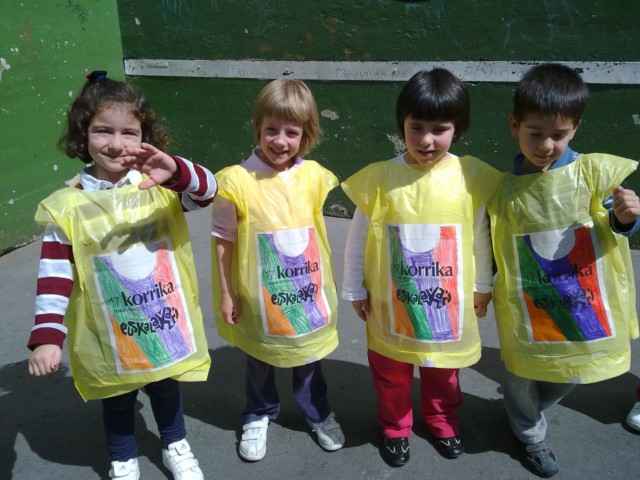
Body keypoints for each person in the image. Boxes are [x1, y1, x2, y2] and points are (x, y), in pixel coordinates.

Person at [27, 71, 216, 480]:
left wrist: (176, 169)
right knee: (117, 395)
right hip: (109, 330)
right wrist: (47, 335)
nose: (116, 144)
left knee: (165, 387)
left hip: (162, 319)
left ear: (145, 136)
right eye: (103, 131)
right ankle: (122, 457)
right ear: (83, 134)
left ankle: (175, 444)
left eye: (129, 132)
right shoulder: (68, 206)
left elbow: (207, 192)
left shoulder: (157, 185)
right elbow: (54, 275)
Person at [341, 68, 502, 467]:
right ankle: (395, 427)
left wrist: (483, 286)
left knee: (443, 369)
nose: (427, 140)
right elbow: (358, 238)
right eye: (416, 127)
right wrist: (356, 288)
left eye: (439, 129)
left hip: (448, 303)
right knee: (391, 369)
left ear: (458, 129)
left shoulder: (469, 177)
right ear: (402, 125)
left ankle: (442, 421)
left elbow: (479, 237)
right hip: (389, 301)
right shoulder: (381, 178)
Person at [487, 62, 640, 478]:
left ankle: (528, 411)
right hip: (527, 308)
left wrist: (626, 218)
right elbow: (491, 242)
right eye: (535, 133)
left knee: (570, 369)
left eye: (559, 134)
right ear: (514, 126)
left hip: (583, 303)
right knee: (522, 373)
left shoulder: (594, 175)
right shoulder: (501, 191)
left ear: (576, 128)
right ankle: (529, 433)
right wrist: (481, 286)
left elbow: (616, 222)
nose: (546, 145)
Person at [210, 78, 345, 462]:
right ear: (258, 127)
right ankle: (258, 412)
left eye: (291, 132)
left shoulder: (313, 176)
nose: (280, 141)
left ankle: (317, 412)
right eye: (271, 129)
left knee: (308, 356)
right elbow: (223, 239)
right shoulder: (236, 181)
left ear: (306, 134)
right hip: (258, 295)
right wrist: (227, 292)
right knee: (260, 356)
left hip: (306, 290)